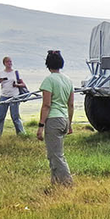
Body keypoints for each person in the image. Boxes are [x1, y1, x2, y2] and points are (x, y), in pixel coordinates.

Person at [37, 49, 74, 186]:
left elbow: (46, 105)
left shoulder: (49, 80)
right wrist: (69, 124)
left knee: (56, 155)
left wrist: (41, 126)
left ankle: (67, 183)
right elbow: (70, 104)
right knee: (54, 153)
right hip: (64, 118)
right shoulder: (68, 80)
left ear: (48, 64)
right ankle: (55, 183)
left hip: (53, 119)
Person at [0, 56, 26, 137]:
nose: (10, 63)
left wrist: (16, 85)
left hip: (14, 96)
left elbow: (23, 84)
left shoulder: (15, 73)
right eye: (8, 62)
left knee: (15, 117)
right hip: (4, 96)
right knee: (0, 117)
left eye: (10, 61)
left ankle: (21, 134)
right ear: (4, 63)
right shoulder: (0, 73)